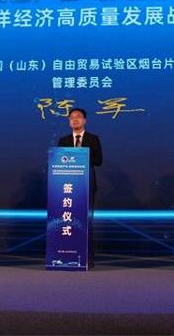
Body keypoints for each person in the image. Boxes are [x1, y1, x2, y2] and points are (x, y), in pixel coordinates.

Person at [58, 107, 103, 266]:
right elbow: (59, 161)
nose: (74, 119)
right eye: (71, 117)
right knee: (68, 220)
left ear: (85, 120)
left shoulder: (93, 139)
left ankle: (87, 257)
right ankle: (66, 254)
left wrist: (81, 156)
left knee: (85, 221)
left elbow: (99, 161)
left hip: (87, 185)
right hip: (67, 186)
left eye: (78, 116)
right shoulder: (63, 141)